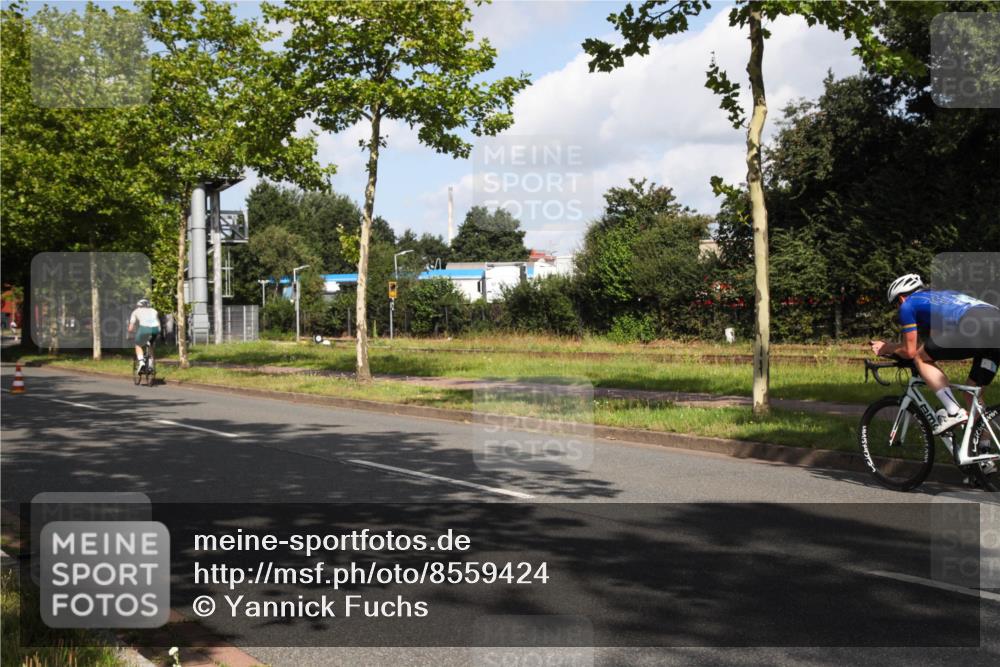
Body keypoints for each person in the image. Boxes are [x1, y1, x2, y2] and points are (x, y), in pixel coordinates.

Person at [870, 274, 1000, 435]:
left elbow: (910, 351)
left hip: (976, 324)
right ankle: (984, 451)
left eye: (896, 304)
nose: (898, 308)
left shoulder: (907, 305)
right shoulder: (941, 297)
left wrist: (886, 348)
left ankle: (954, 411)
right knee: (972, 394)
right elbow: (934, 343)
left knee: (920, 357)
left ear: (901, 298)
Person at [128, 298, 160, 372]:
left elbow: (131, 327)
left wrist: (130, 334)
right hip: (155, 330)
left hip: (144, 329)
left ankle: (141, 362)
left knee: (138, 345)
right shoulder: (154, 311)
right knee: (151, 345)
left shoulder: (135, 312)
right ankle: (150, 365)